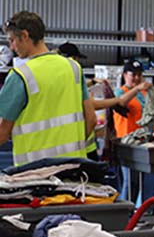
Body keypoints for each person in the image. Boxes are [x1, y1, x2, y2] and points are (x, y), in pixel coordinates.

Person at [0, 12, 96, 166]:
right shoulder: (74, 68)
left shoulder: (20, 76)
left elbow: (2, 132)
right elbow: (91, 120)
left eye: (12, 40)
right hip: (74, 170)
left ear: (25, 35)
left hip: (34, 175)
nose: (11, 47)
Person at [112, 60, 154, 204]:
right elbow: (121, 102)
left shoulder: (146, 93)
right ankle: (126, 213)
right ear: (125, 75)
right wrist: (137, 89)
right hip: (129, 143)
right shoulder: (121, 92)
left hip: (147, 142)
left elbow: (152, 112)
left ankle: (144, 211)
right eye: (133, 75)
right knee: (131, 181)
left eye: (139, 75)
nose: (137, 78)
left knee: (147, 181)